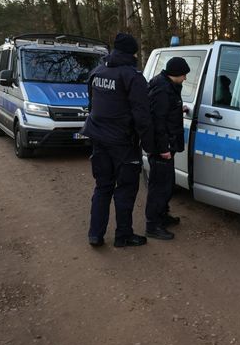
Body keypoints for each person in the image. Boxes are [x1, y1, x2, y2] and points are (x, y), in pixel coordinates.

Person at [81, 33, 155, 248]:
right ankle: (123, 235)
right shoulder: (132, 77)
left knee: (102, 186)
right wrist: (150, 147)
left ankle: (95, 234)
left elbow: (92, 103)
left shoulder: (97, 72)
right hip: (123, 143)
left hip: (98, 138)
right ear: (132, 52)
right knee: (125, 189)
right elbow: (143, 117)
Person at [144, 57, 190, 240]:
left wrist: (179, 109)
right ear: (176, 73)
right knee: (159, 187)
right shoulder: (162, 89)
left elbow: (165, 111)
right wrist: (163, 147)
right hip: (161, 147)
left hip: (167, 145)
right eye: (184, 74)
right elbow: (158, 122)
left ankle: (162, 216)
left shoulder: (167, 86)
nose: (186, 78)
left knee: (167, 184)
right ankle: (152, 225)